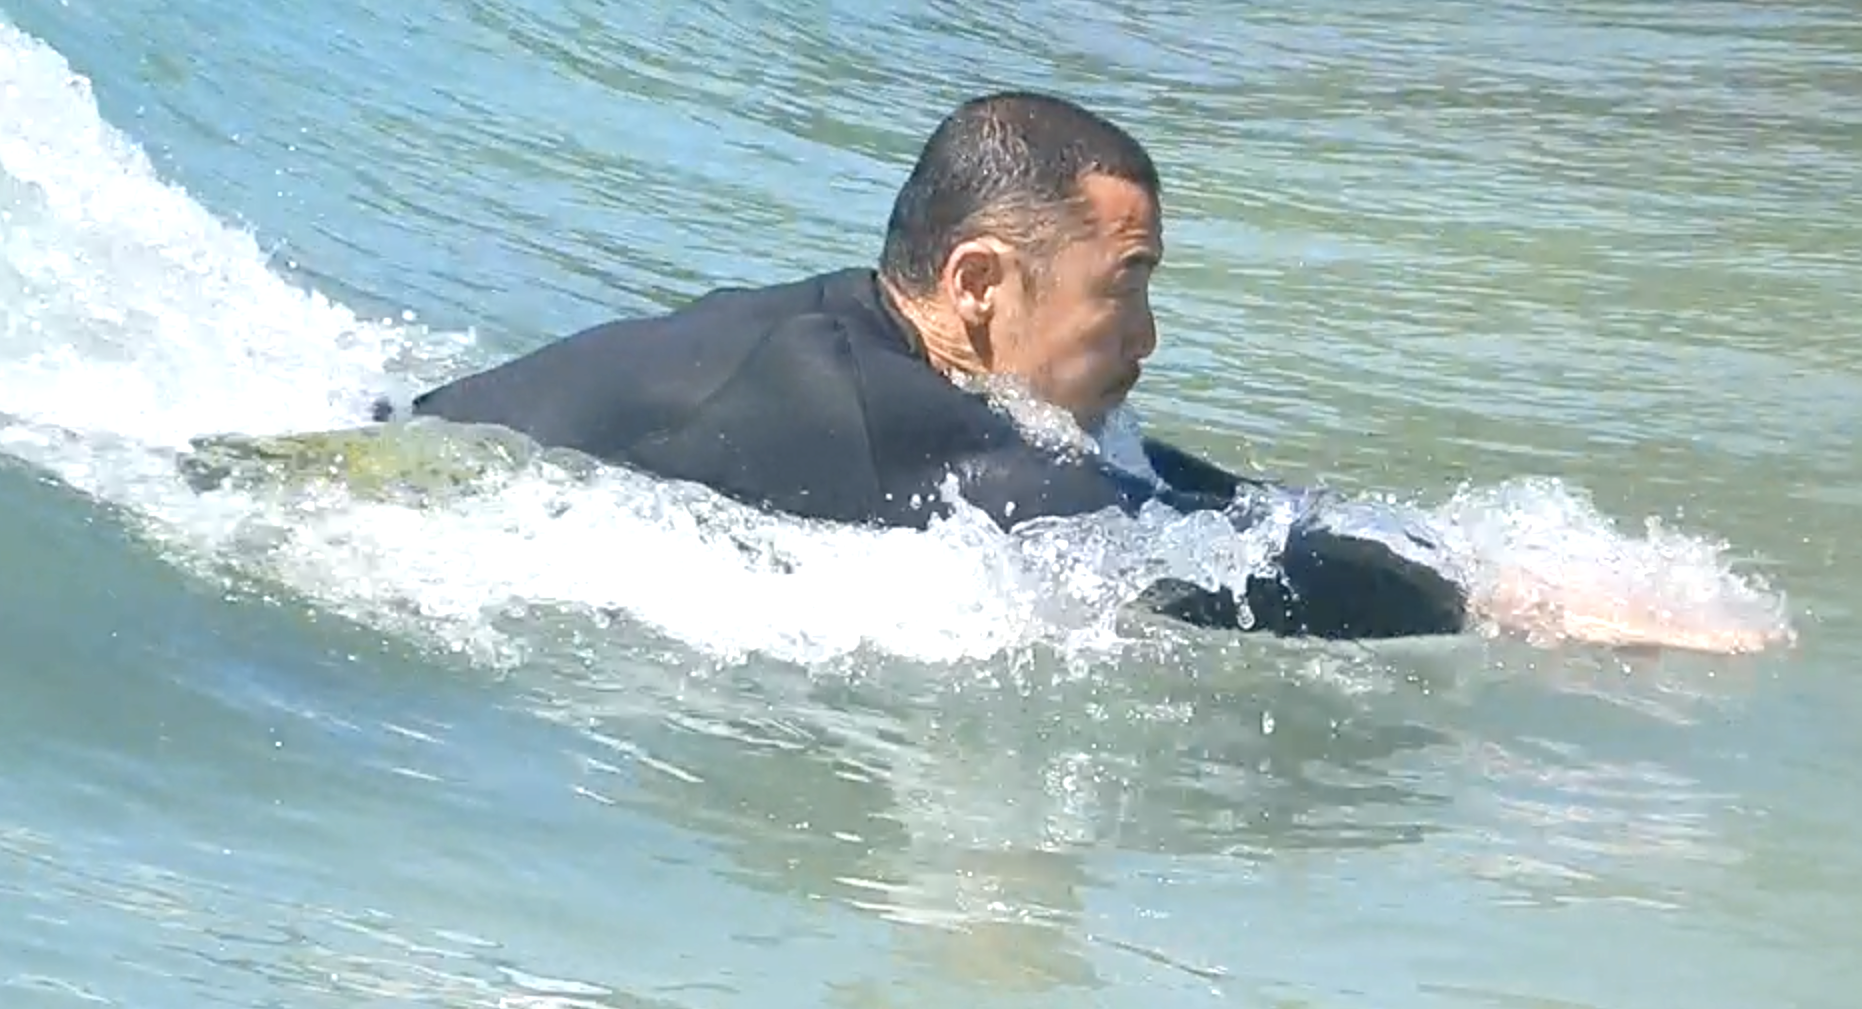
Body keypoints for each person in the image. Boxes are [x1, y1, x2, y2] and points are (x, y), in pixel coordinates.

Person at [387, 91, 1779, 653]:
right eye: (1128, 287)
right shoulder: (884, 415)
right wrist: (1503, 611)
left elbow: (1171, 491)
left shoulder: (878, 342)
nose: (1148, 339)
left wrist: (1462, 548)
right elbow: (1198, 572)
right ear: (979, 283)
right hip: (391, 514)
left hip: (400, 442)